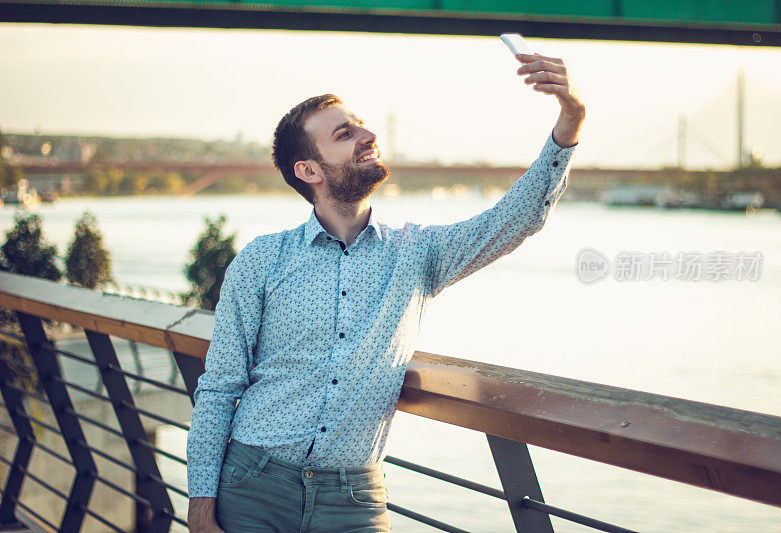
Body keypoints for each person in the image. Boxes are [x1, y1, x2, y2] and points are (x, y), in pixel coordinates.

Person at [187, 51, 585, 533]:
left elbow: (515, 219)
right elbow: (220, 384)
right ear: (309, 171)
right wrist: (201, 507)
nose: (368, 136)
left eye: (360, 126)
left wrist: (571, 120)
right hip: (252, 486)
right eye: (344, 134)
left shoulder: (418, 252)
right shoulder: (262, 260)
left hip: (352, 500)